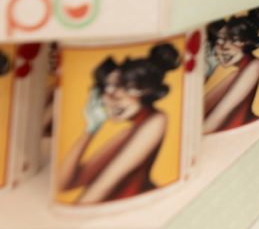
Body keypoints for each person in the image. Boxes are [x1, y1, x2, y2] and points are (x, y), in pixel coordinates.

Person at [56, 43, 178, 204]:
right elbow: (64, 184)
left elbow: (102, 187)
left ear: (147, 89)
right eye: (106, 88)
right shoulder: (129, 132)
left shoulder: (155, 121)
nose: (112, 97)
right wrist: (90, 129)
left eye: (124, 87)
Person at [203, 7, 259, 133]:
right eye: (220, 40)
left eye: (234, 40)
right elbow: (201, 110)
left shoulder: (253, 66)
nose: (225, 47)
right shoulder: (235, 74)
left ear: (247, 42)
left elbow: (214, 120)